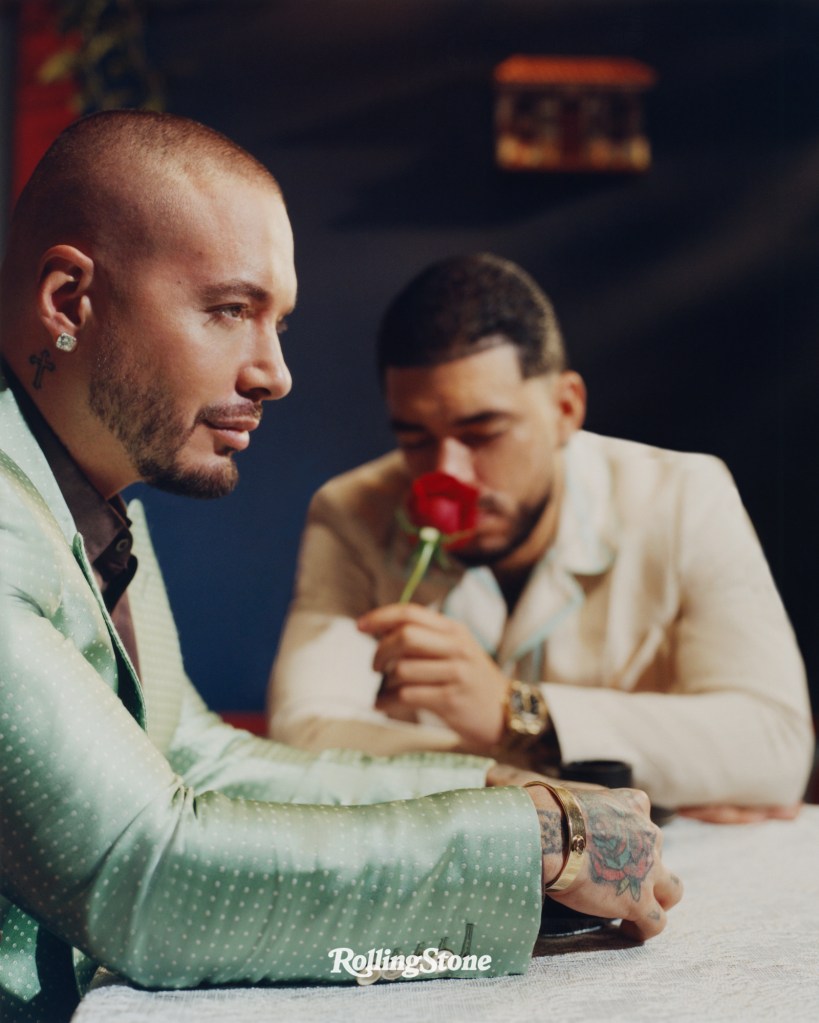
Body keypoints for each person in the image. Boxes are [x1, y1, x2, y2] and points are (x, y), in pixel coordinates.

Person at [0, 112, 681, 1023]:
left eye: (277, 322)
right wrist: (536, 841)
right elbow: (146, 879)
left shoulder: (93, 494)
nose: (275, 372)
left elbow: (198, 756)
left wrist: (490, 787)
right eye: (230, 310)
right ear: (68, 299)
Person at [268, 253, 813, 817]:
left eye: (482, 433)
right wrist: (562, 789)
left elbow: (775, 748)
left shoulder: (683, 497)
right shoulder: (351, 512)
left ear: (565, 408)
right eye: (415, 439)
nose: (446, 476)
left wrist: (517, 712)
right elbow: (302, 738)